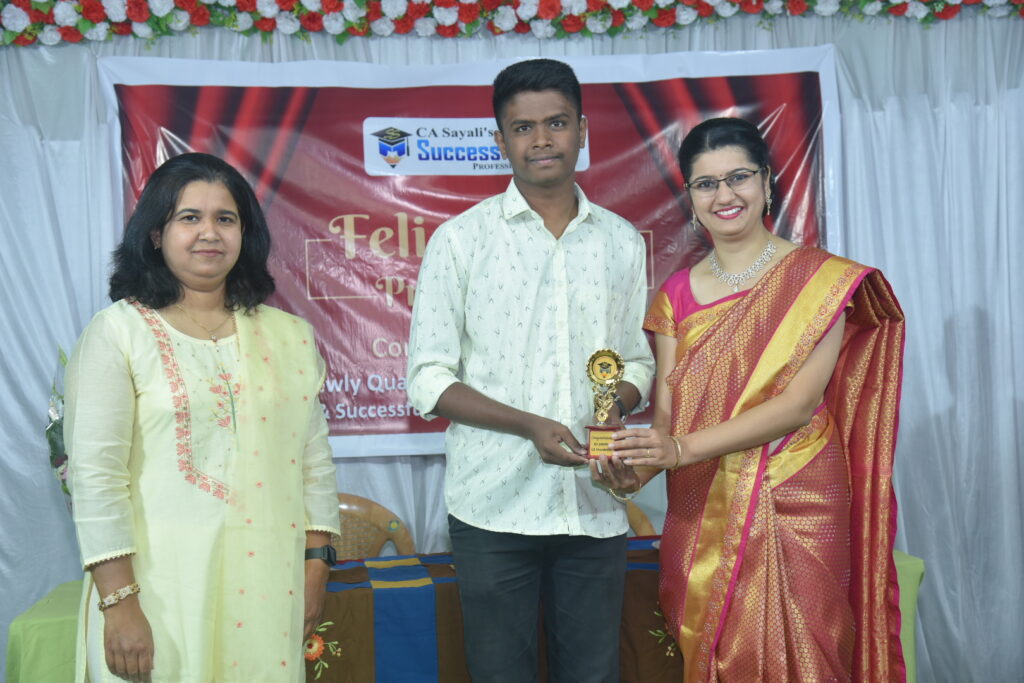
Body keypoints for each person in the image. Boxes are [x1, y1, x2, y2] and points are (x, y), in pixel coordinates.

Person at [595, 117, 906, 682]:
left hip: (799, 491)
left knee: (811, 651)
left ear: (766, 181)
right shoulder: (675, 296)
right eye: (706, 183)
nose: (725, 195)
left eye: (738, 176)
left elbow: (797, 405)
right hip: (701, 501)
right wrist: (630, 473)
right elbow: (667, 418)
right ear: (690, 197)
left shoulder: (819, 282)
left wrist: (679, 449)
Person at [406, 58, 655, 682]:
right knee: (500, 674)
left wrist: (614, 407)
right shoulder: (461, 240)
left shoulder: (621, 241)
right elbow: (428, 378)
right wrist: (529, 425)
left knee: (593, 674)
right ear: (501, 140)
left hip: (594, 499)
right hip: (493, 505)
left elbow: (637, 361)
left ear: (582, 130)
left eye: (557, 123)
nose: (542, 139)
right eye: (523, 128)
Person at [65, 153, 340, 682]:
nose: (209, 233)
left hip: (266, 586)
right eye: (189, 217)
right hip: (155, 593)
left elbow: (313, 462)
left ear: (245, 234)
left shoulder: (289, 338)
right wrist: (119, 603)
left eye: (225, 218)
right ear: (156, 234)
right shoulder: (119, 333)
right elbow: (97, 477)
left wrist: (316, 565)